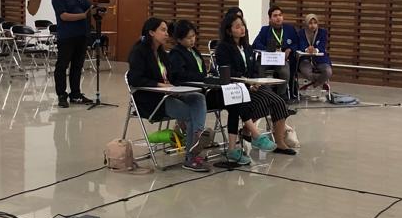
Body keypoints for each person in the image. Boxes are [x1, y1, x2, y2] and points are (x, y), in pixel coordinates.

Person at [168, 19, 259, 166]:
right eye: (189, 38)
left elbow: (203, 72)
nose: (192, 40)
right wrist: (202, 77)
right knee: (231, 101)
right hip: (191, 94)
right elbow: (179, 76)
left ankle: (232, 148)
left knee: (235, 101)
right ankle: (199, 137)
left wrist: (211, 76)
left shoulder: (195, 51)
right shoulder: (176, 54)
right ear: (179, 39)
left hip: (204, 90)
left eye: (194, 36)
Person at [127, 17, 211, 172]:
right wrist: (159, 85)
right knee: (191, 114)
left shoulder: (162, 53)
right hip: (151, 99)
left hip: (168, 93)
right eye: (163, 30)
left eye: (167, 30)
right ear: (151, 32)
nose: (167, 34)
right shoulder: (139, 52)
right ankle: (192, 155)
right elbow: (134, 78)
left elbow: (171, 77)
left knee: (198, 97)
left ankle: (197, 138)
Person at [216, 10, 297, 155]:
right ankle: (249, 132)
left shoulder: (247, 47)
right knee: (263, 102)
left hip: (251, 85)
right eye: (237, 26)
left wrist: (255, 81)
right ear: (229, 31)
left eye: (243, 25)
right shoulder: (223, 48)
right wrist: (248, 82)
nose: (242, 29)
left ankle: (279, 142)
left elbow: (253, 69)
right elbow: (228, 72)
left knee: (278, 102)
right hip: (237, 88)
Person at [51, 0, 93, 108]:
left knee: (77, 66)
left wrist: (96, 10)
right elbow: (63, 16)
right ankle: (62, 95)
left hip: (82, 35)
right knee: (62, 66)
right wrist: (82, 16)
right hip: (67, 36)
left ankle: (75, 94)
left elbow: (88, 8)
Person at [251, 6, 299, 99]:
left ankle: (282, 94)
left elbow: (296, 43)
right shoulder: (264, 30)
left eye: (280, 15)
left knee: (284, 71)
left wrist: (290, 49)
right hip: (267, 59)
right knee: (259, 69)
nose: (278, 18)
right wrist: (268, 49)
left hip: (281, 59)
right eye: (275, 16)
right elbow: (256, 44)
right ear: (270, 18)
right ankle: (267, 94)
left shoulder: (289, 29)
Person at [297, 14, 332, 92]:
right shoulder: (301, 33)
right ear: (306, 23)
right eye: (310, 23)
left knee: (328, 72)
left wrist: (316, 50)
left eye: (315, 23)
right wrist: (307, 49)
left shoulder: (322, 32)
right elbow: (301, 45)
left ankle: (313, 84)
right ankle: (321, 82)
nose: (313, 25)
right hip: (305, 59)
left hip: (320, 59)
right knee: (307, 73)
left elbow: (322, 45)